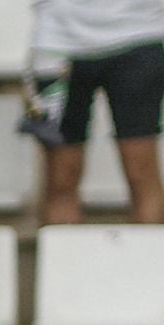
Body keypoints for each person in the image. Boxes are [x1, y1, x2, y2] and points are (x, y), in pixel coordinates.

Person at [28, 0, 164, 226]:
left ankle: (151, 260)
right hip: (57, 41)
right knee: (61, 176)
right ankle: (65, 259)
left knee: (141, 169)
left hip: (140, 32)